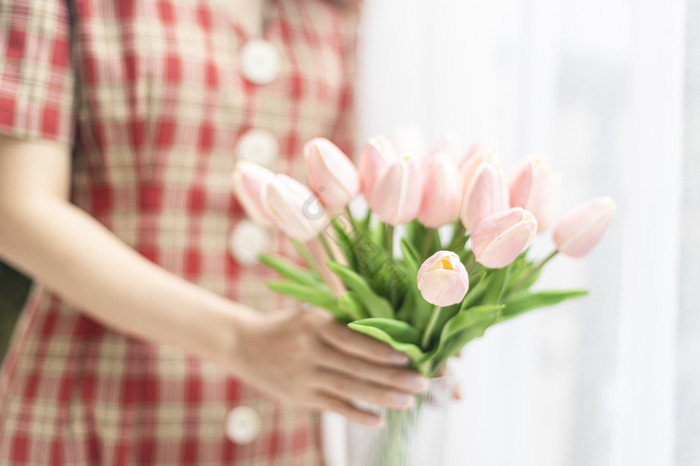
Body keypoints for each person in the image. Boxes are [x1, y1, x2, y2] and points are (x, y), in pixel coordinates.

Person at [0, 0, 429, 463]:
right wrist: (238, 342)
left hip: (281, 422)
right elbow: (18, 208)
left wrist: (409, 331)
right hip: (102, 409)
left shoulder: (334, 11)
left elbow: (328, 204)